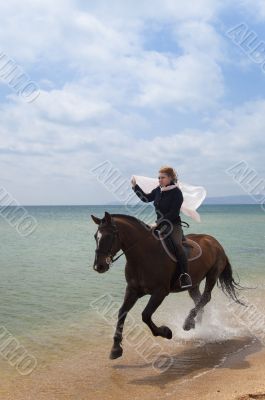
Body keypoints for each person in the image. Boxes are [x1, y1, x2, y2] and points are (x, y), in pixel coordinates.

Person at [131, 166, 192, 289]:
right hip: (159, 224)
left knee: (177, 245)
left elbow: (173, 213)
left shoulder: (177, 193)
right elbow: (146, 198)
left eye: (162, 177)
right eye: (159, 177)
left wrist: (157, 223)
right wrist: (135, 187)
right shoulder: (158, 190)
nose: (160, 180)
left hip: (173, 225)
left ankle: (185, 275)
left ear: (170, 178)